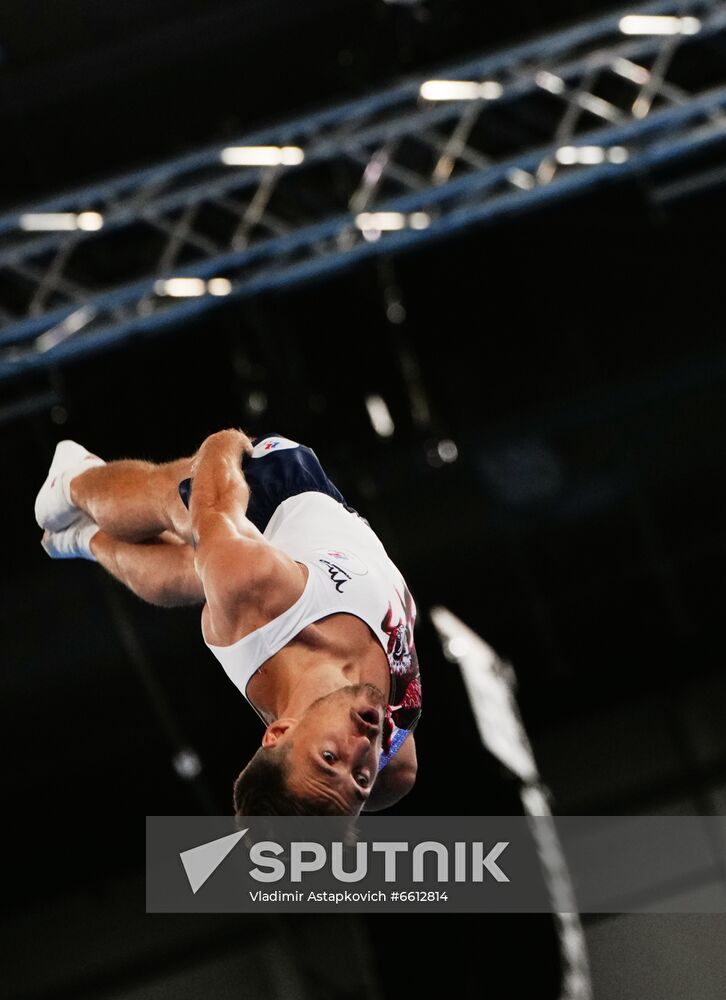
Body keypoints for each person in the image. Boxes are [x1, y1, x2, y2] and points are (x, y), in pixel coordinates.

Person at [35, 429, 421, 815]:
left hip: (277, 503)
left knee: (170, 500)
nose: (359, 749)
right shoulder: (394, 767)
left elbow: (214, 500)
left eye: (329, 757)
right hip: (287, 569)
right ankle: (84, 539)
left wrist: (229, 441)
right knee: (194, 572)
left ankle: (70, 483)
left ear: (279, 732)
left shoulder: (258, 588)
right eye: (359, 780)